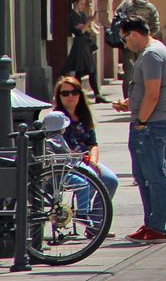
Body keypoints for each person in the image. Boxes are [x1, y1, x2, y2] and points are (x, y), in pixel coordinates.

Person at [111, 16, 166, 243]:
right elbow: (152, 91)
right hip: (150, 121)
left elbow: (153, 94)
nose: (125, 44)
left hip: (151, 124)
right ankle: (150, 224)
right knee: (144, 176)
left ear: (134, 34)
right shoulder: (155, 51)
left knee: (153, 176)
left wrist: (141, 121)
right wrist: (131, 104)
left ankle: (156, 228)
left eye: (124, 39)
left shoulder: (151, 55)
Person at [52, 75, 118, 235]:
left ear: (80, 94)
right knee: (90, 179)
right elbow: (56, 145)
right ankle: (85, 217)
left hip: (85, 160)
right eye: (65, 93)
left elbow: (92, 143)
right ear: (59, 96)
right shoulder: (56, 118)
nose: (70, 96)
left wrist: (93, 162)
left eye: (74, 92)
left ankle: (96, 224)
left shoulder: (83, 115)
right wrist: (81, 159)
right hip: (67, 163)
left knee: (111, 180)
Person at [62, 0, 107, 103]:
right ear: (75, 3)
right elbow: (79, 32)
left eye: (84, 4)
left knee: (86, 70)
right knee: (85, 70)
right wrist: (87, 23)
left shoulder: (82, 15)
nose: (83, 6)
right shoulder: (71, 16)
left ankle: (84, 94)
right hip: (80, 46)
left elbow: (86, 29)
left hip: (86, 45)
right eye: (81, 4)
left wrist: (85, 25)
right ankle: (85, 94)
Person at [118, 0, 161, 90]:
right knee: (145, 70)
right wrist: (148, 37)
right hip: (144, 44)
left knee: (129, 71)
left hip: (128, 42)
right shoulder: (151, 8)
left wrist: (125, 38)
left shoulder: (126, 5)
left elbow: (119, 22)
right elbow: (156, 26)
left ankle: (128, 96)